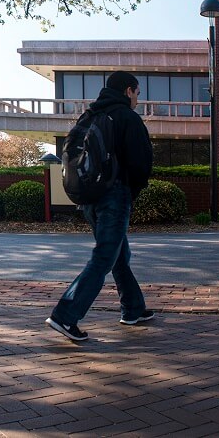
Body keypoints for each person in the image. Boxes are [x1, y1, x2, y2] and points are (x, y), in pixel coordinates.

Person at [46, 71, 155, 342]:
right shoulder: (126, 117)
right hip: (114, 195)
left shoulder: (89, 115)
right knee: (105, 257)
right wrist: (132, 191)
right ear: (128, 91)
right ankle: (65, 315)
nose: (138, 100)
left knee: (118, 254)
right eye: (138, 93)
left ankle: (133, 309)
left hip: (89, 196)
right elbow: (141, 163)